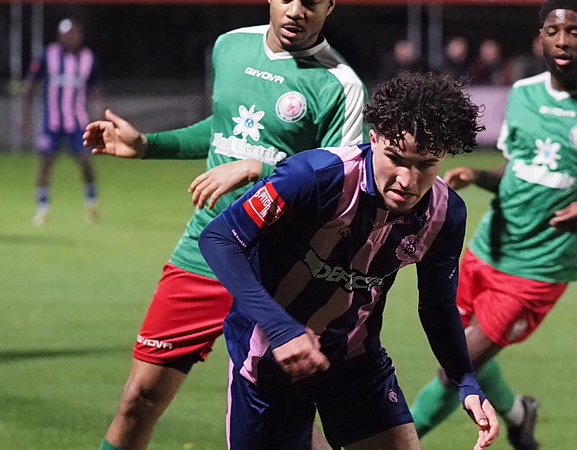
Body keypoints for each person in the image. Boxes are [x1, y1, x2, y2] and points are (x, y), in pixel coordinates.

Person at [83, 0, 368, 449]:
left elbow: (340, 187)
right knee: (138, 399)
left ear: (331, 4)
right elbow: (224, 129)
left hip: (277, 270)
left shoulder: (341, 85)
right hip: (204, 250)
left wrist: (257, 168)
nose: (296, 11)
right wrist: (149, 144)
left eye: (311, 2)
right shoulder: (230, 46)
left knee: (285, 424)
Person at [409, 0, 577, 450]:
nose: (563, 41)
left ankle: (386, 442)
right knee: (464, 353)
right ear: (539, 40)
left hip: (538, 270)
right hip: (487, 249)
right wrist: (479, 175)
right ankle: (519, 414)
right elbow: (520, 169)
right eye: (553, 31)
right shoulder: (523, 95)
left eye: (574, 31)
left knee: (454, 367)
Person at [198, 71, 499, 450]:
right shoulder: (315, 177)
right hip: (270, 357)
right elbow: (220, 238)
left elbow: (438, 305)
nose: (407, 180)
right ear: (372, 139)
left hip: (355, 359)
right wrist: (281, 329)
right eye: (395, 158)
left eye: (425, 164)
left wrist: (466, 381)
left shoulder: (444, 214)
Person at [21, 17, 105, 226]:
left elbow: (96, 89)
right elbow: (30, 86)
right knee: (46, 163)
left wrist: (100, 115)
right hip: (52, 122)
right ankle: (42, 209)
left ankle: (91, 204)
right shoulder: (48, 55)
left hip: (77, 122)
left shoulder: (88, 58)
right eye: (67, 34)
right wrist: (25, 115)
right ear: (60, 36)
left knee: (85, 161)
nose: (71, 38)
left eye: (74, 34)